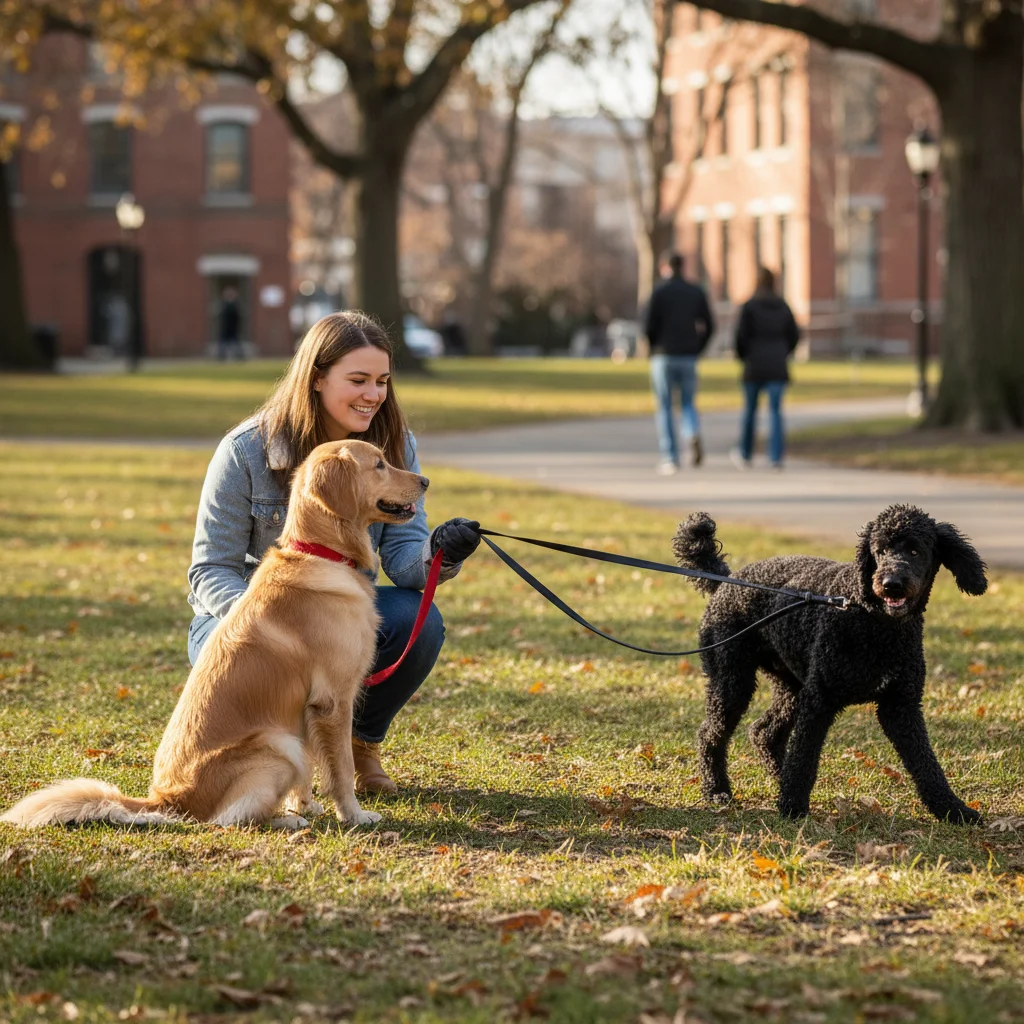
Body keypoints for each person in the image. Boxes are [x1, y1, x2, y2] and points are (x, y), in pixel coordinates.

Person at [186, 310, 482, 795]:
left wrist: (441, 553)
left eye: (383, 381)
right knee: (242, 647)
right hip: (241, 622)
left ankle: (360, 747)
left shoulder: (395, 445)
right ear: (317, 378)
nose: (374, 395)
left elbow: (406, 560)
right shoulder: (246, 451)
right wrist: (269, 623)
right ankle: (265, 768)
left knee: (418, 620)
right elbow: (210, 568)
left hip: (336, 616)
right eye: (359, 380)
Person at [644, 252, 715, 474]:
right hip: (688, 355)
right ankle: (691, 432)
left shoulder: (659, 292)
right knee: (688, 403)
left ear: (665, 267)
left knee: (664, 406)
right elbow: (709, 324)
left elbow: (647, 325)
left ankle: (671, 457)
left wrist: (655, 345)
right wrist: (698, 347)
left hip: (663, 355)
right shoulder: (695, 291)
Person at [731, 266, 801, 471]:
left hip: (754, 365)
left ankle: (745, 453)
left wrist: (744, 356)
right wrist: (783, 353)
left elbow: (740, 336)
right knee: (776, 412)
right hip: (777, 364)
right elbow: (794, 335)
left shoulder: (750, 306)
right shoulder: (783, 306)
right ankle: (776, 456)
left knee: (750, 412)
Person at [217, 286, 243, 361]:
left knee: (235, 343)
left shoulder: (235, 304)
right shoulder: (224, 304)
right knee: (223, 343)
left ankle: (239, 356)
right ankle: (221, 357)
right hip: (225, 328)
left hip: (233, 327)